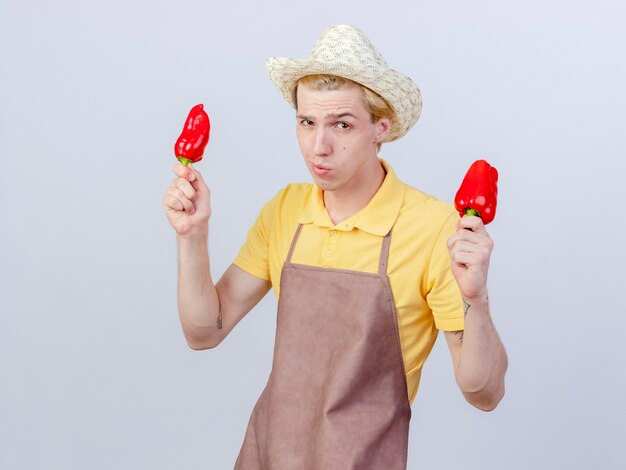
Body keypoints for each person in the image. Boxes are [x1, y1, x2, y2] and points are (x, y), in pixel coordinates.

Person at [163, 24, 507, 469]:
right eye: (307, 123)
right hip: (268, 456)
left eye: (341, 124)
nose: (318, 147)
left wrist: (476, 299)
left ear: (380, 128)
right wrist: (193, 236)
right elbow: (203, 333)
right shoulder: (285, 209)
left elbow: (484, 392)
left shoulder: (432, 227)